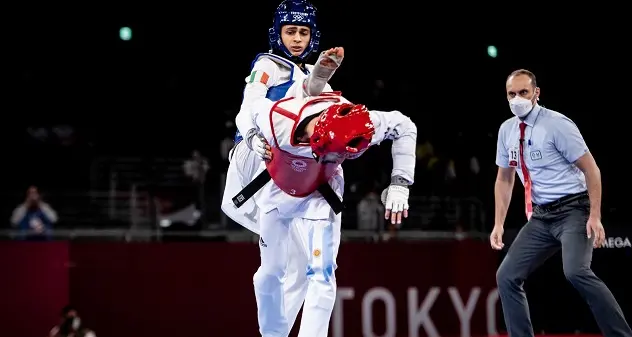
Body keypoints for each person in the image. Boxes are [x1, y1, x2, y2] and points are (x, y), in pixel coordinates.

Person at [223, 83, 417, 337]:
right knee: (270, 273)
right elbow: (246, 111)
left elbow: (405, 126)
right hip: (278, 187)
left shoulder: (362, 123)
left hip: (322, 191)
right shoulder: (280, 118)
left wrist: (400, 183)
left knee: (322, 274)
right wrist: (250, 135)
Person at [221, 0, 344, 333]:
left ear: (313, 36)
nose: (297, 39)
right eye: (291, 31)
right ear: (277, 33)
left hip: (295, 172)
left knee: (305, 268)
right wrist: (248, 136)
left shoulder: (319, 78)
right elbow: (249, 106)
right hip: (259, 160)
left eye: (303, 32)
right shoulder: (266, 65)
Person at [491, 69, 631, 337]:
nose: (517, 98)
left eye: (523, 92)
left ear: (536, 93)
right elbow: (504, 178)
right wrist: (499, 223)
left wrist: (595, 215)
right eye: (511, 94)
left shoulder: (557, 124)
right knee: (506, 276)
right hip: (542, 217)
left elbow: (591, 169)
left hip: (574, 211)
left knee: (576, 271)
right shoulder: (506, 130)